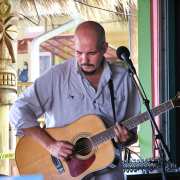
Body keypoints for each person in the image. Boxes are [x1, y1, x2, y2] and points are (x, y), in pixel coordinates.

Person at [9, 21, 141, 180]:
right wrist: (50, 145)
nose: (84, 60)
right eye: (79, 52)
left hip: (110, 174)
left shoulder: (124, 79)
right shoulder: (56, 77)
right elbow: (18, 110)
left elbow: (131, 134)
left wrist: (127, 138)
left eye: (92, 53)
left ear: (105, 48)